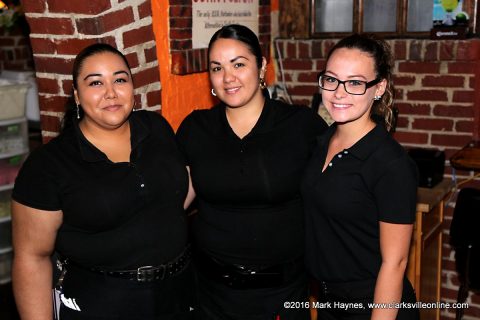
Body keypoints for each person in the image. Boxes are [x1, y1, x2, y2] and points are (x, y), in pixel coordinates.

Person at [11, 43, 194, 320]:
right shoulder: (48, 165)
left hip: (178, 292)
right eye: (95, 83)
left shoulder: (156, 129)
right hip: (100, 300)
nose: (110, 92)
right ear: (76, 95)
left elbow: (173, 195)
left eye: (120, 79)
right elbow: (32, 259)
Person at [176, 24, 328, 320]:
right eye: (217, 68)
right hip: (210, 295)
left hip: (282, 295)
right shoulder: (196, 128)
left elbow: (332, 196)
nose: (228, 77)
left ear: (262, 67)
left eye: (239, 64)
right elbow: (173, 202)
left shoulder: (301, 126)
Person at [302, 33, 419, 319]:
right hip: (329, 302)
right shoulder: (320, 142)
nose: (338, 93)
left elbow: (395, 262)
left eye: (355, 83)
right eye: (331, 79)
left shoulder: (390, 164)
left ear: (378, 88)